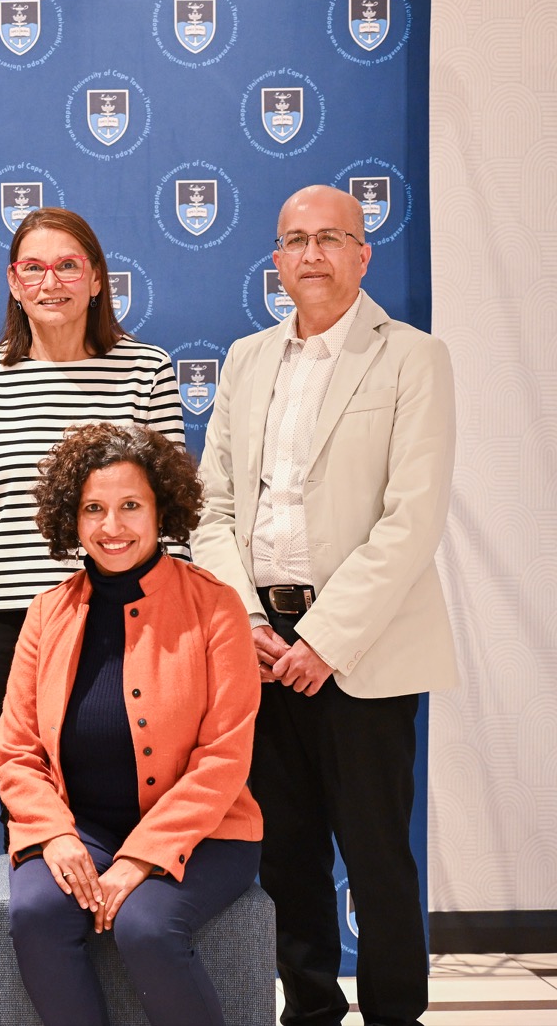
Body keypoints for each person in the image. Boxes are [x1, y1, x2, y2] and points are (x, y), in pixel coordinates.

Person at [191, 184, 457, 1026]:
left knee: (378, 858)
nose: (311, 254)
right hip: (260, 644)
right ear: (275, 259)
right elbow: (213, 508)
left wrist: (326, 641)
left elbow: (411, 520)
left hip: (363, 647)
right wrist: (251, 626)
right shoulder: (245, 358)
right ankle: (309, 1009)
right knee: (287, 855)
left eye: (332, 238)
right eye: (295, 240)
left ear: (362, 253)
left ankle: (392, 1014)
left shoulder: (414, 356)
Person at [0, 422, 262, 1026]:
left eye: (130, 506)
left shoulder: (216, 606)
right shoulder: (47, 611)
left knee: (145, 925)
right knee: (34, 913)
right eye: (94, 509)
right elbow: (16, 748)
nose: (111, 527)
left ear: (161, 508)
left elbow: (223, 757)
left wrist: (144, 857)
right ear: (72, 519)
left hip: (206, 836)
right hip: (82, 827)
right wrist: (53, 833)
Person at [0, 207, 183, 835]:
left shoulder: (145, 369)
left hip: (119, 616)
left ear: (97, 279)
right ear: (15, 283)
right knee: (27, 798)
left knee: (120, 785)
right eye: (34, 269)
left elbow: (172, 516)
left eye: (68, 266)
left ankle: (125, 923)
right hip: (6, 622)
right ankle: (38, 928)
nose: (52, 282)